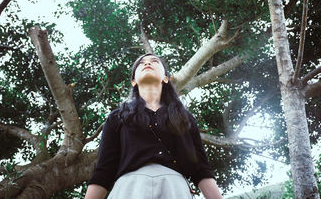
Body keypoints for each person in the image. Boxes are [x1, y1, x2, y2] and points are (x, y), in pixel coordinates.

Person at [84, 54, 223, 199]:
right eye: (141, 63)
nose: (147, 63)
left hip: (176, 189)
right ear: (133, 82)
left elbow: (200, 169)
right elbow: (104, 170)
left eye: (154, 61)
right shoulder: (117, 117)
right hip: (128, 189)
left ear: (165, 78)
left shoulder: (185, 118)